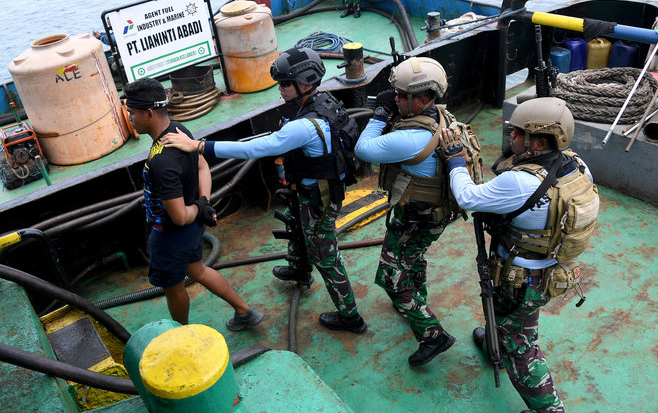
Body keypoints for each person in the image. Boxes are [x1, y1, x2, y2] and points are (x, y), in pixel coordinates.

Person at [161, 47, 367, 334]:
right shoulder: (324, 101)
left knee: (326, 256)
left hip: (318, 199)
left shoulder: (304, 126)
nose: (280, 88)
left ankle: (351, 316)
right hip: (313, 190)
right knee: (299, 229)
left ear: (305, 84)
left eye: (285, 83)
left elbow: (255, 148)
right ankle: (300, 270)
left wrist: (199, 146)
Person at [441, 97, 591, 413]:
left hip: (520, 279)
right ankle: (496, 337)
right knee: (518, 322)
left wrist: (455, 158)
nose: (512, 136)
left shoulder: (519, 182)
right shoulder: (576, 166)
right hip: (549, 269)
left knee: (521, 348)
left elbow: (468, 198)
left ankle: (549, 408)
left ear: (538, 141)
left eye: (519, 133)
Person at [124, 77, 263, 331]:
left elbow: (178, 216)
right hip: (189, 230)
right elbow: (201, 166)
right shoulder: (179, 131)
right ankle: (245, 311)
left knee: (173, 286)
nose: (130, 118)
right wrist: (205, 202)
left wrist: (198, 208)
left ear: (149, 113)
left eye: (132, 113)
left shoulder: (163, 162)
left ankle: (183, 335)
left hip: (170, 235)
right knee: (197, 269)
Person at [354, 57, 457, 366]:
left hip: (417, 216)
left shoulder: (412, 137)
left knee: (390, 274)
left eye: (401, 96)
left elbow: (364, 149)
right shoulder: (440, 114)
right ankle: (417, 299)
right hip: (433, 213)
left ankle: (432, 335)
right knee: (413, 257)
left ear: (422, 99)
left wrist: (379, 114)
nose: (396, 100)